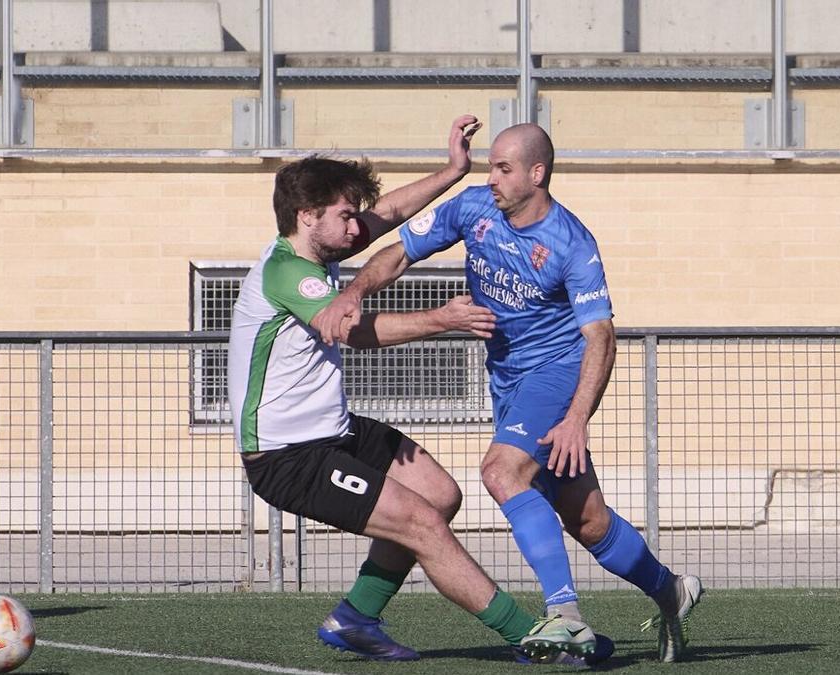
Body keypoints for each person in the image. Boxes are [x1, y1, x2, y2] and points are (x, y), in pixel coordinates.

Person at [228, 115, 613, 666]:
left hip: (333, 432)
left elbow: (391, 215)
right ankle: (534, 634)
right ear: (307, 216)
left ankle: (357, 617)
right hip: (288, 455)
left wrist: (453, 171)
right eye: (344, 216)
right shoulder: (291, 275)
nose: (358, 227)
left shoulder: (318, 248)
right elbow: (356, 332)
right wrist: (443, 319)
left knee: (439, 494)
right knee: (421, 522)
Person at [314, 123, 703, 663]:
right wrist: (353, 291)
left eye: (503, 168)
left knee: (501, 471)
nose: (491, 177)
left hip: (557, 372)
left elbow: (601, 338)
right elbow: (399, 252)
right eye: (491, 166)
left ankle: (565, 617)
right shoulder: (474, 208)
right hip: (508, 378)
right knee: (586, 518)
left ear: (536, 174)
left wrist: (575, 418)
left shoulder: (572, 243)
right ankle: (672, 590)